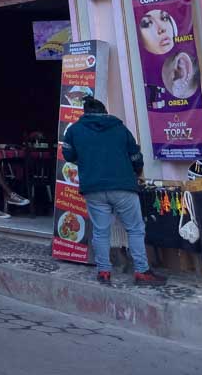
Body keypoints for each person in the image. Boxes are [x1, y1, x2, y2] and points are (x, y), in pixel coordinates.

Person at [62, 96, 166, 286]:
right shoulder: (120, 129)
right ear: (105, 111)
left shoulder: (74, 131)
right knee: (135, 229)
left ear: (85, 113)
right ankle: (142, 272)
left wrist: (86, 160)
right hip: (122, 186)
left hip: (93, 189)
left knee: (101, 232)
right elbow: (136, 157)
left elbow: (68, 155)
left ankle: (104, 272)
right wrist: (134, 171)